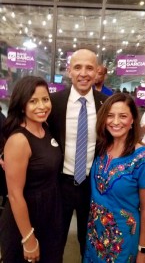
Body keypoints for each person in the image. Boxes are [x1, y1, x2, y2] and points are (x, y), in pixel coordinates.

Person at [83, 93, 145, 263]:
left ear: (133, 120)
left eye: (123, 116)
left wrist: (144, 250)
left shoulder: (144, 158)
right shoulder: (101, 147)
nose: (115, 121)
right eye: (110, 115)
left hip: (123, 242)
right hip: (94, 237)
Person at [48, 49, 108, 258]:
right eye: (77, 67)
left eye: (89, 68)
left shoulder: (106, 105)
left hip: (92, 185)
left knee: (89, 241)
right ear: (69, 71)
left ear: (98, 71)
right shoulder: (52, 103)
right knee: (54, 240)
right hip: (59, 184)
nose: (83, 73)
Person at [0, 76, 63, 263]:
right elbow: (14, 195)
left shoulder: (46, 128)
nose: (42, 106)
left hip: (49, 214)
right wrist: (28, 238)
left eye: (45, 99)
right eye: (33, 101)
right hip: (26, 219)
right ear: (21, 105)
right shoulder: (19, 140)